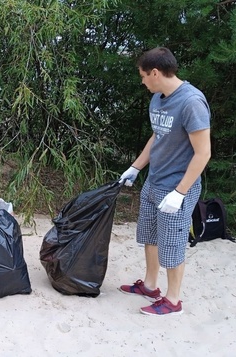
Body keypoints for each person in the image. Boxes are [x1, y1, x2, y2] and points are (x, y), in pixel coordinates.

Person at [118, 47, 211, 316]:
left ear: (156, 73)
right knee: (150, 236)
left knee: (172, 243)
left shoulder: (191, 102)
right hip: (154, 180)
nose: (142, 81)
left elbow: (203, 152)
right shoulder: (158, 99)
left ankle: (173, 301)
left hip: (177, 187)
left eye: (143, 76)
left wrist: (180, 192)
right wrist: (135, 167)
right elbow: (157, 135)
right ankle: (150, 285)